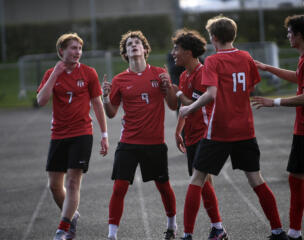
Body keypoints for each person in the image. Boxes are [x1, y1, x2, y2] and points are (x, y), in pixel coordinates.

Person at [179, 16, 288, 240]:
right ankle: (277, 231)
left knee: (197, 179)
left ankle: (187, 235)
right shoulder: (246, 57)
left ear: (214, 37)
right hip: (245, 129)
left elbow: (211, 94)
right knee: (256, 179)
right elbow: (250, 84)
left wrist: (188, 110)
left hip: (219, 129)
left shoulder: (212, 61)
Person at [102, 30, 178, 240]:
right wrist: (105, 97)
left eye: (137, 43)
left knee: (163, 186)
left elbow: (173, 105)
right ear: (125, 53)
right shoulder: (119, 80)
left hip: (154, 143)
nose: (133, 46)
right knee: (119, 187)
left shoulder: (159, 73)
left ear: (145, 49)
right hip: (129, 142)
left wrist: (168, 87)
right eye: (129, 44)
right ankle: (112, 234)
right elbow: (111, 113)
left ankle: (172, 224)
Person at [252, 15, 304, 240]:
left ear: (299, 35)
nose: (288, 36)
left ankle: (294, 232)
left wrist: (275, 102)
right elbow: (299, 78)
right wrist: (268, 68)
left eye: (290, 32)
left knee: (303, 179)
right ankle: (294, 232)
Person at [37, 33, 109, 240]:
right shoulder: (51, 72)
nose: (77, 52)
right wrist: (55, 75)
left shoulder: (88, 73)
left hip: (82, 133)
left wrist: (104, 134)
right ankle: (72, 216)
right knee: (54, 185)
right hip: (58, 134)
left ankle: (63, 227)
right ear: (61, 51)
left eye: (79, 48)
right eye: (72, 48)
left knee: (73, 183)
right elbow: (41, 100)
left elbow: (97, 104)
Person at [171, 28, 226, 239]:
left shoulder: (203, 74)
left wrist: (177, 93)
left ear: (189, 52)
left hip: (205, 135)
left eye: (177, 48)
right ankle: (218, 228)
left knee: (197, 181)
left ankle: (189, 233)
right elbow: (185, 110)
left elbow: (192, 103)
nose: (173, 53)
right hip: (191, 135)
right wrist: (178, 131)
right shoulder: (185, 75)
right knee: (204, 184)